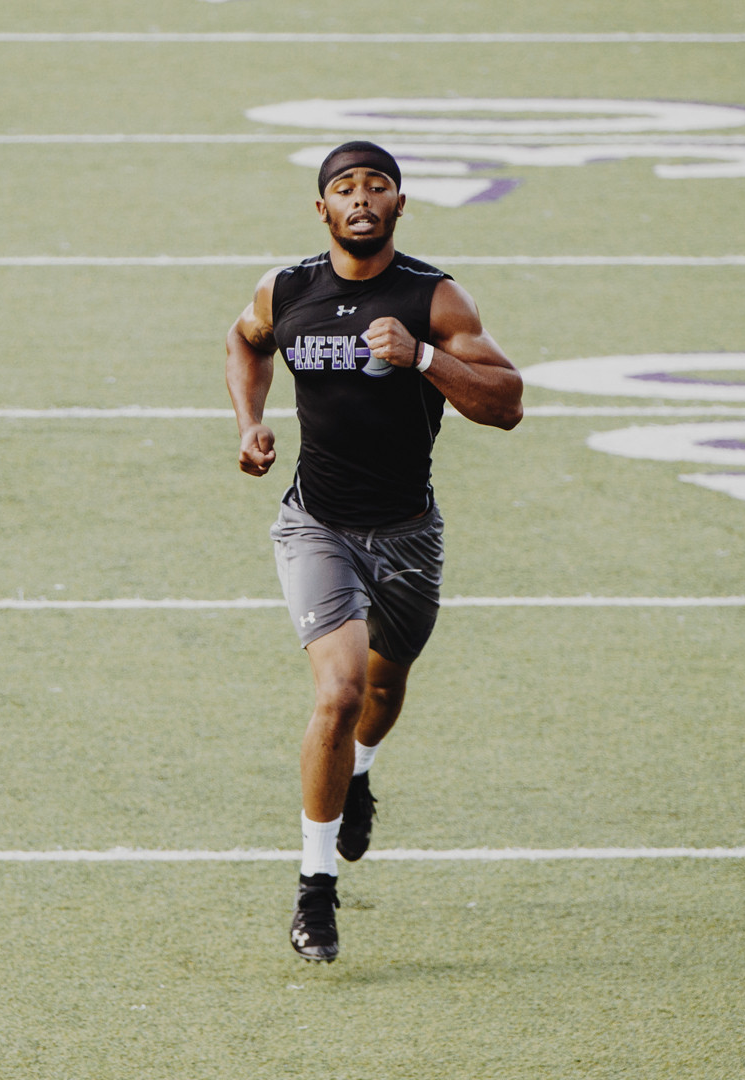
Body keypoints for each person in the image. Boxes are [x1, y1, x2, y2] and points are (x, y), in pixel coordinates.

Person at [223, 141, 525, 961]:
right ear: (322, 208)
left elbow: (507, 403)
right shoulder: (286, 289)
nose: (361, 198)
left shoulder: (434, 297)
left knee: (384, 689)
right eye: (345, 188)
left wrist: (423, 357)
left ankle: (357, 775)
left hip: (407, 534)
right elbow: (245, 341)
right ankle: (315, 887)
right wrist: (249, 423)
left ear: (400, 205)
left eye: (377, 186)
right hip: (316, 525)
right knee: (340, 691)